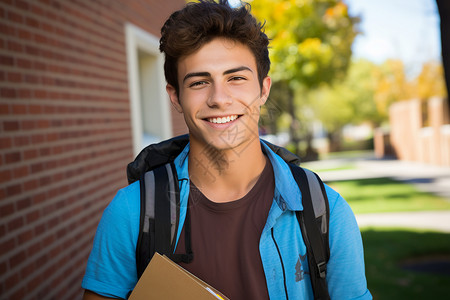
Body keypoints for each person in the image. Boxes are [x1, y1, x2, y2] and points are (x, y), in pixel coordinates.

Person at [81, 1, 372, 299]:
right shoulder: (132, 212)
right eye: (199, 82)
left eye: (236, 78)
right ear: (176, 97)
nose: (219, 99)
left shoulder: (326, 211)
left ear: (263, 89)